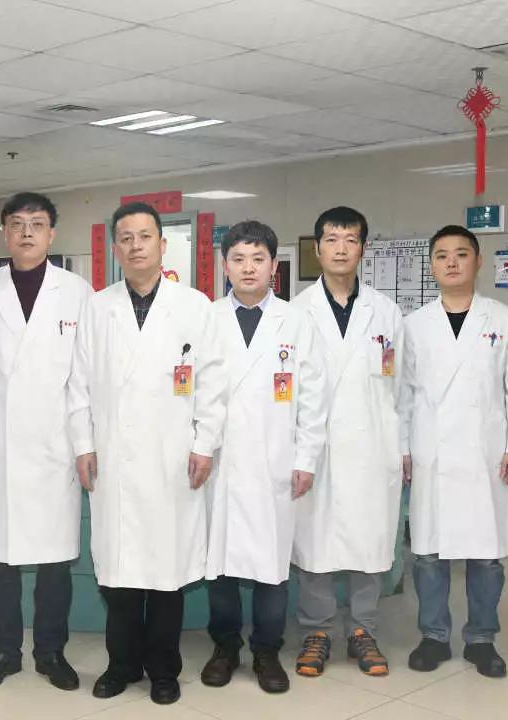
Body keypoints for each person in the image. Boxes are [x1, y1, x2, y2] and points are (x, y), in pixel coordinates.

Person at [70, 201, 228, 706]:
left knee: (166, 575)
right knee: (119, 575)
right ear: (115, 249)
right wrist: (83, 444)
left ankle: (163, 670)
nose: (135, 246)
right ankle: (121, 666)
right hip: (114, 460)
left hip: (172, 460)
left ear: (162, 244)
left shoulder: (194, 306)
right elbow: (78, 384)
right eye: (126, 238)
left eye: (144, 237)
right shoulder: (98, 308)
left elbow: (213, 385)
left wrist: (204, 445)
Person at [0, 192, 93, 691]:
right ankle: (4, 651)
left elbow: (83, 374)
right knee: (1, 559)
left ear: (52, 234)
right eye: (16, 224)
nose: (27, 232)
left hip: (55, 444)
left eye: (37, 224)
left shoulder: (76, 292)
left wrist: (82, 442)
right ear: (5, 232)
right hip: (3, 443)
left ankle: (51, 652)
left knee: (55, 561)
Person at [400, 225, 508, 678]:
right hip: (432, 454)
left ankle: (481, 639)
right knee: (428, 555)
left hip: (486, 455)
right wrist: (403, 449)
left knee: (485, 556)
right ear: (432, 266)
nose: (452, 262)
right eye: (442, 255)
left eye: (461, 254)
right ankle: (433, 636)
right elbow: (403, 395)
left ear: (478, 262)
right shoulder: (414, 325)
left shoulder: (504, 321)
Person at [202, 221, 328, 694]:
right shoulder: (208, 318)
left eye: (258, 259)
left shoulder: (296, 322)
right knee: (220, 565)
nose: (248, 268)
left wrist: (306, 458)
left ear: (274, 265)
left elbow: (314, 397)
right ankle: (225, 648)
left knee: (272, 567)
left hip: (276, 459)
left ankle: (267, 651)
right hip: (220, 462)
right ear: (225, 266)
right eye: (238, 259)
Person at [291, 207, 405, 678]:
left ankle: (363, 629)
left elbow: (399, 387)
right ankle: (316, 632)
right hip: (314, 446)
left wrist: (400, 447)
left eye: (350, 240)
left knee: (368, 538)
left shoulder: (386, 312)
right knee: (314, 541)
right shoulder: (296, 312)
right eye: (332, 239)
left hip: (370, 444)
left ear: (363, 249)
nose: (341, 249)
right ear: (317, 248)